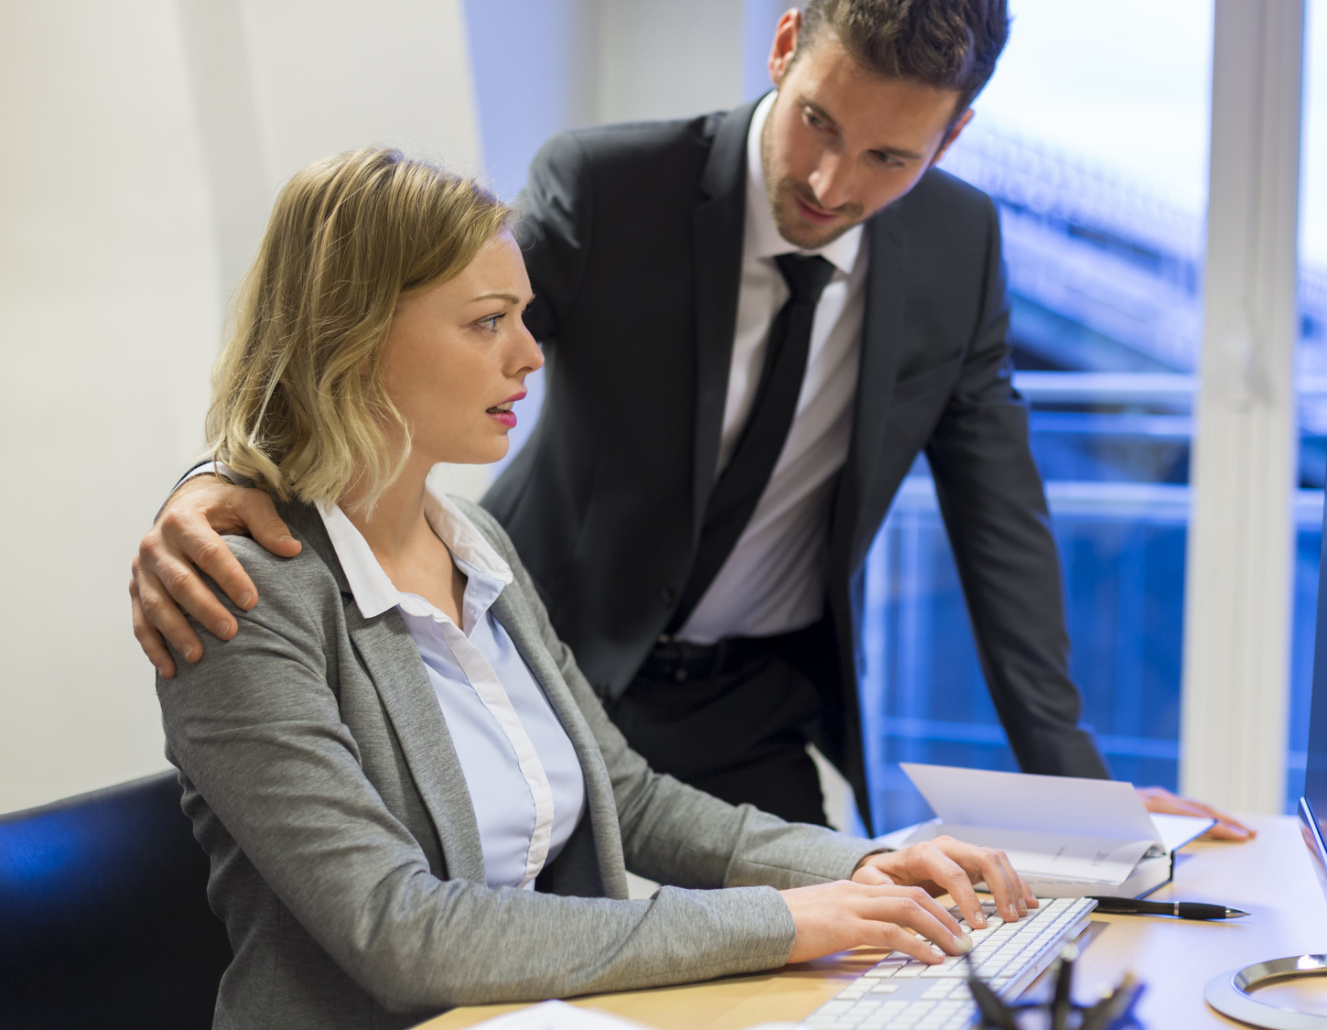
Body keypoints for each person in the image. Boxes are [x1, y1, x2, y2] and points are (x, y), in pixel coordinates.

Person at [133, 0, 1252, 839]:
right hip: (548, 671)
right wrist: (213, 478)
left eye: (888, 158)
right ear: (784, 43)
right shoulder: (613, 186)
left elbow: (1002, 529)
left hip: (754, 707)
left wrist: (1084, 802)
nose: (827, 178)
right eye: (817, 119)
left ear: (952, 141)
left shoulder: (960, 253)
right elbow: (407, 340)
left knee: (835, 963)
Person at [164, 146, 1037, 1029]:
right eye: (486, 322)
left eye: (524, 317)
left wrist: (850, 868)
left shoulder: (475, 541)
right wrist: (779, 921)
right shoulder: (247, 592)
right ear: (353, 334)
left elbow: (627, 795)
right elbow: (404, 934)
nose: (528, 356)